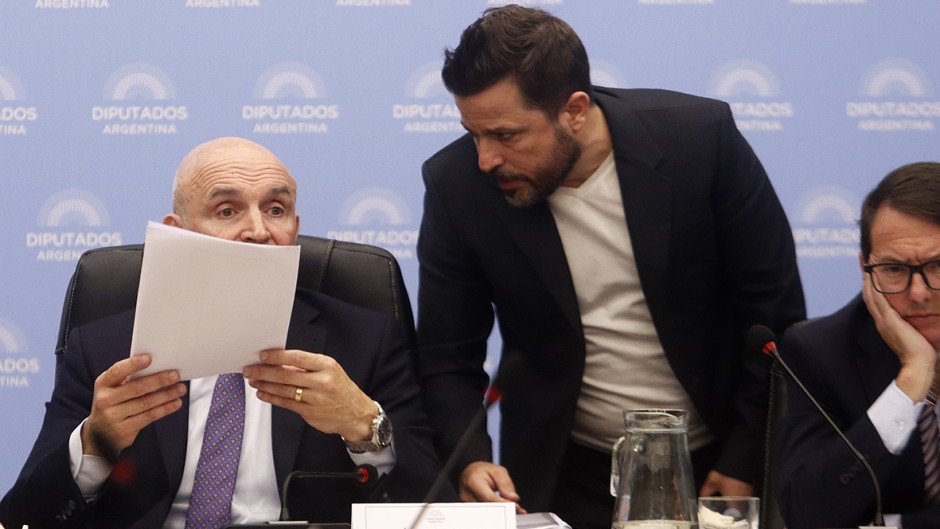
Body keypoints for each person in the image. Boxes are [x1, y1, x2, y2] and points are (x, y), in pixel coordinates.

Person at [414, 5, 806, 529]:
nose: (486, 159)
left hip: (718, 460)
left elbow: (773, 315)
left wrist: (744, 456)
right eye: (473, 133)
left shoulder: (699, 142)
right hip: (564, 471)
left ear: (575, 110)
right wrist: (470, 461)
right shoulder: (457, 186)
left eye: (505, 135)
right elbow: (447, 356)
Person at [0, 137, 447, 529]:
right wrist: (96, 443)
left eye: (276, 209)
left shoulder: (363, 340)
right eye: (227, 210)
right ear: (178, 234)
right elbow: (24, 517)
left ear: (294, 229)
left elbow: (439, 510)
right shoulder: (104, 348)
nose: (258, 231)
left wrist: (364, 426)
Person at [775, 161, 940, 529]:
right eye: (894, 269)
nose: (919, 293)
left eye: (938, 265)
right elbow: (808, 515)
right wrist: (910, 380)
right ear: (865, 269)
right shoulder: (819, 353)